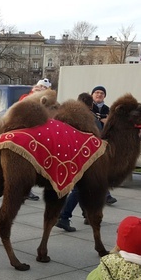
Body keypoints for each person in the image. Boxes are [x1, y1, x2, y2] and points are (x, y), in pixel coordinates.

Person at [56, 92, 109, 232]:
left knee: (80, 187)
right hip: (85, 157)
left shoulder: (65, 115)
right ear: (91, 105)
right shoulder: (90, 118)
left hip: (68, 155)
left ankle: (86, 214)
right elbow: (100, 136)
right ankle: (64, 216)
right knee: (80, 188)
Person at [23, 78, 52, 201]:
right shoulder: (27, 97)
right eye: (40, 87)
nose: (41, 90)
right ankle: (24, 191)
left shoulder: (48, 102)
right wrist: (34, 95)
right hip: (25, 136)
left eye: (44, 88)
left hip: (39, 137)